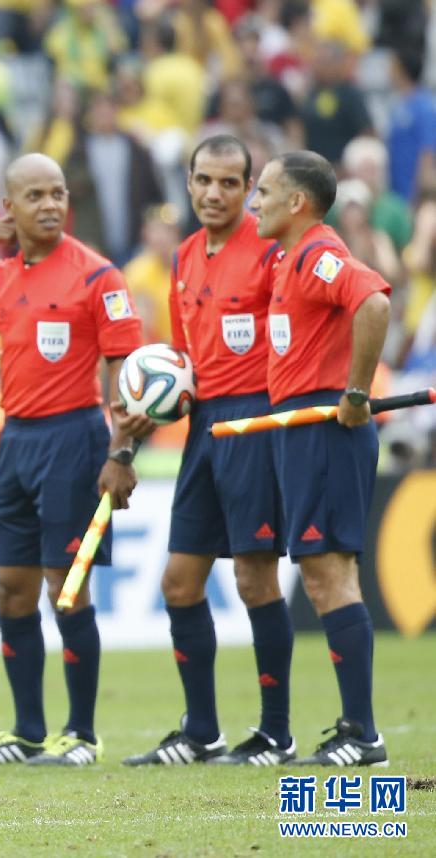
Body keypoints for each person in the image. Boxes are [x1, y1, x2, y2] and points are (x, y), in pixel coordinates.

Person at [0, 153, 143, 766]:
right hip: (15, 442)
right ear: (8, 208)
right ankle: (25, 732)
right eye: (35, 195)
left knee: (66, 591)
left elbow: (125, 374)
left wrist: (121, 452)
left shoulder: (99, 277)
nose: (50, 205)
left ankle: (82, 735)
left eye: (58, 193)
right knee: (10, 593)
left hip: (75, 439)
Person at [119, 135, 294, 768]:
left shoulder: (274, 252)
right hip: (203, 428)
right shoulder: (186, 254)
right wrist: (152, 406)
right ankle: (202, 732)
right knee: (180, 581)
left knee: (253, 577)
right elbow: (185, 359)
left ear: (249, 188)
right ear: (188, 184)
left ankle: (276, 733)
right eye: (203, 181)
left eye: (228, 182)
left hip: (255, 420)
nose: (214, 193)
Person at [251, 150, 391, 765]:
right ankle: (355, 727)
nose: (254, 202)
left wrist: (356, 394)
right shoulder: (289, 260)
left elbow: (376, 302)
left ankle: (363, 734)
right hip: (301, 429)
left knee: (329, 573)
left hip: (326, 428)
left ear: (296, 202)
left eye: (262, 191)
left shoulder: (317, 253)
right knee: (320, 572)